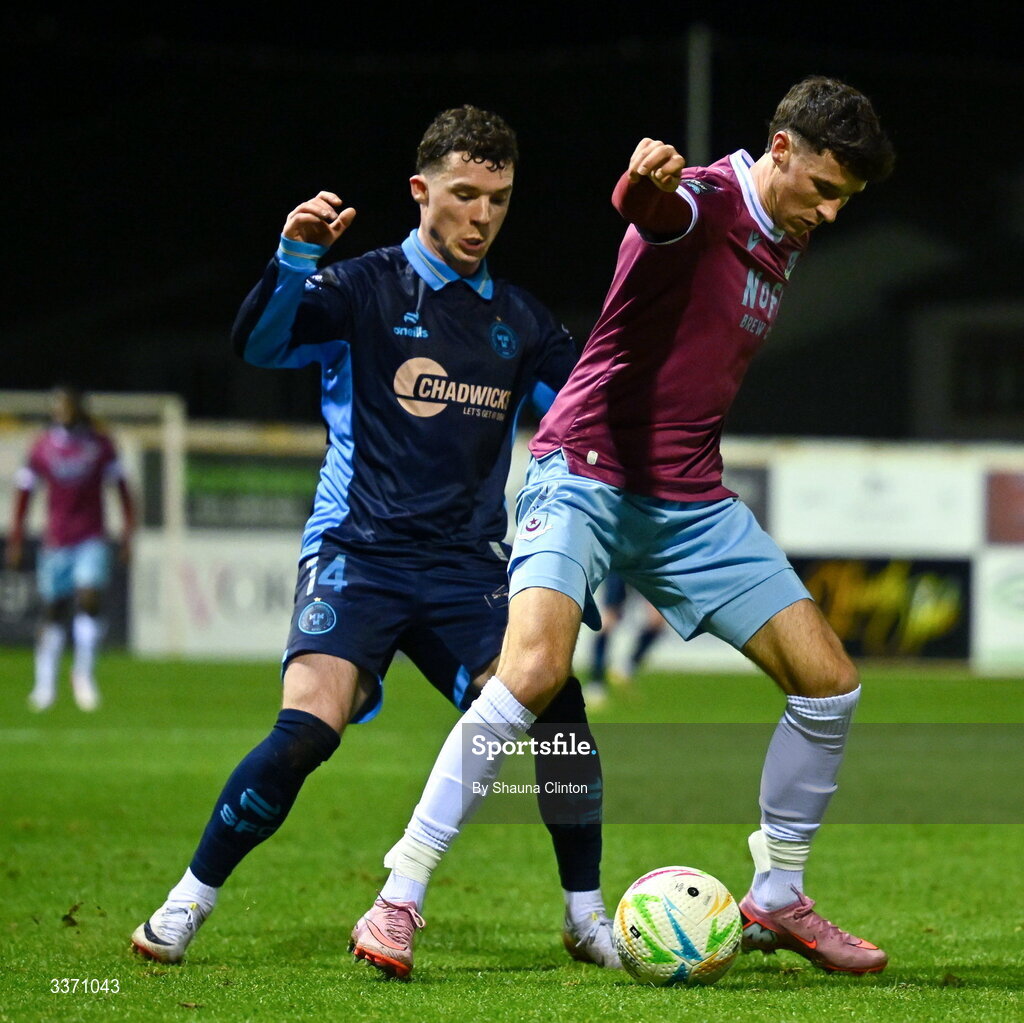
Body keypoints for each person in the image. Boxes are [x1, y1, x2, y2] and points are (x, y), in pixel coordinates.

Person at [355, 76, 895, 977]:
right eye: (825, 189)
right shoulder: (708, 202)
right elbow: (657, 211)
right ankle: (398, 894)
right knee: (532, 671)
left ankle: (777, 897)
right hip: (588, 470)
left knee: (829, 683)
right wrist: (643, 184)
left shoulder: (784, 227)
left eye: (848, 200)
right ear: (782, 149)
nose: (831, 213)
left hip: (687, 497)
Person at [131, 105, 618, 974]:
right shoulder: (361, 288)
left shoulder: (522, 321)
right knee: (308, 728)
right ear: (420, 190)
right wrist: (294, 254)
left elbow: (582, 429)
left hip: (466, 568)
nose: (481, 216)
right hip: (357, 550)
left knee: (561, 718)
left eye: (499, 199)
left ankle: (586, 917)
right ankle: (186, 901)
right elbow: (262, 342)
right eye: (464, 194)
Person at [5, 384, 135, 712]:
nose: (61, 410)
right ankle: (45, 684)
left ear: (78, 407)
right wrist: (17, 537)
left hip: (91, 536)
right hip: (56, 540)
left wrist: (129, 533)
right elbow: (24, 492)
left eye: (66, 404)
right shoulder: (42, 447)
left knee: (89, 598)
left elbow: (122, 489)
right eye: (57, 405)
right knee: (53, 610)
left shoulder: (100, 445)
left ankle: (83, 675)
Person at [584, 572, 666, 707]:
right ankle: (596, 682)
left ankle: (627, 667)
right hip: (620, 562)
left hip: (647, 562)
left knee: (657, 620)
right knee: (608, 619)